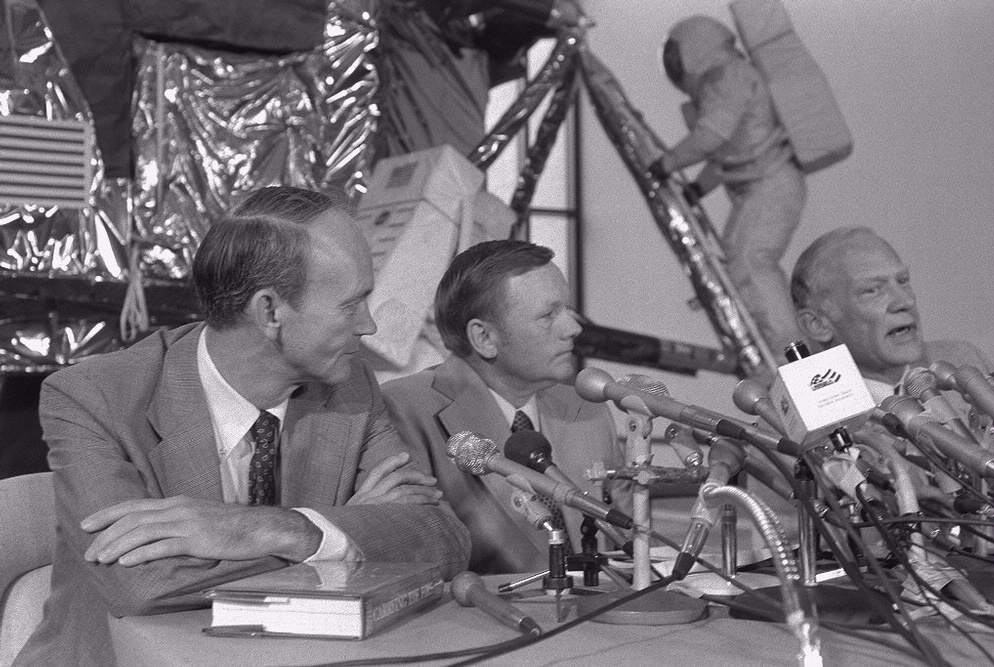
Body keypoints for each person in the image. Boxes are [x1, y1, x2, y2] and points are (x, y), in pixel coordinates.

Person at [14, 186, 471, 667]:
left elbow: (441, 538)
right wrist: (342, 534)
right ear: (269, 311)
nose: (369, 326)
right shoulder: (94, 397)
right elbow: (141, 586)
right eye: (350, 304)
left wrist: (280, 529)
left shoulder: (351, 385)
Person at [380, 240, 630, 574]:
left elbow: (629, 541)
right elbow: (425, 555)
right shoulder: (405, 409)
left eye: (567, 310)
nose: (574, 328)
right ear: (484, 338)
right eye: (548, 315)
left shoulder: (586, 407)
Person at [652, 15, 806, 361]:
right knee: (738, 262)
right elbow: (730, 152)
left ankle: (791, 354)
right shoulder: (726, 80)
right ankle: (769, 346)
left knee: (751, 263)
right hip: (761, 185)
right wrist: (698, 188)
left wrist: (668, 162)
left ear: (695, 49)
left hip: (771, 183)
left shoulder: (729, 77)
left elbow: (711, 137)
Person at [790, 226, 994, 399]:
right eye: (872, 290)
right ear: (818, 325)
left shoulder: (962, 361)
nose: (905, 301)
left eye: (902, 281)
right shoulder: (799, 420)